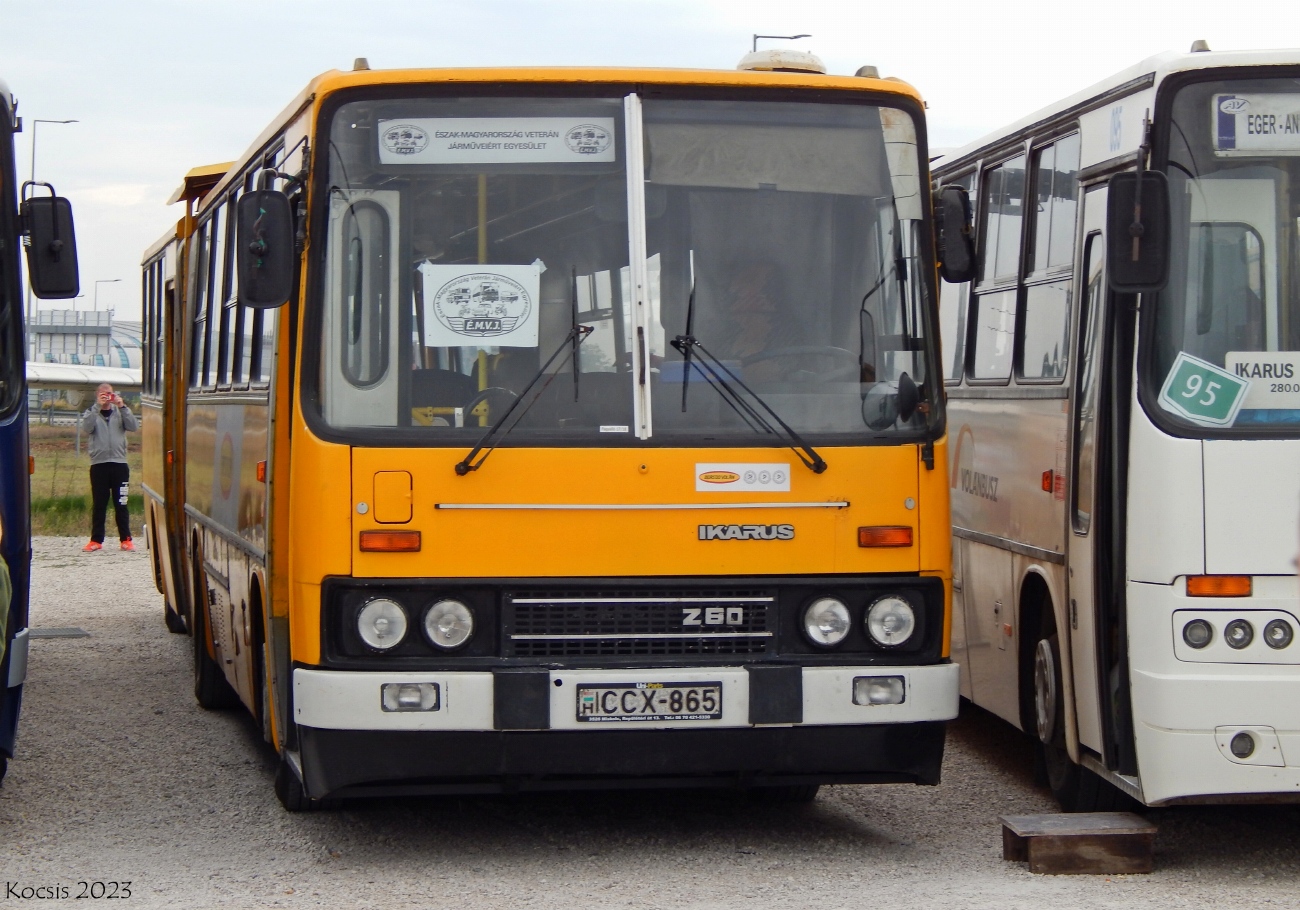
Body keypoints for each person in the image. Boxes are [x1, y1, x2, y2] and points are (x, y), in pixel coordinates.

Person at [80, 383, 138, 552]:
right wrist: (98, 406)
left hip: (119, 464)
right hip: (99, 465)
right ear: (97, 395)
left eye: (110, 394)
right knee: (99, 503)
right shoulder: (91, 413)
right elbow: (86, 427)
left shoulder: (120, 413)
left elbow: (134, 426)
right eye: (103, 394)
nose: (107, 397)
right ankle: (96, 540)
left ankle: (126, 539)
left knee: (121, 503)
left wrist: (123, 406)